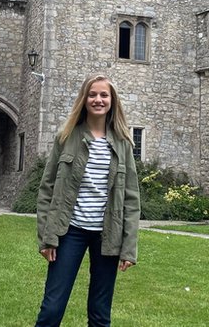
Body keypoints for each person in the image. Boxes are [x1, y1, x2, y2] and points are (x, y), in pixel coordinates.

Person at [35, 74, 141, 327]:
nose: (98, 100)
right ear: (84, 99)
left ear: (112, 101)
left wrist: (129, 248)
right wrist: (47, 236)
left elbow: (131, 197)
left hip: (108, 235)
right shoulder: (66, 136)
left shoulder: (123, 143)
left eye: (104, 95)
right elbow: (47, 188)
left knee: (100, 313)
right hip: (69, 231)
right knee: (52, 308)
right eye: (92, 94)